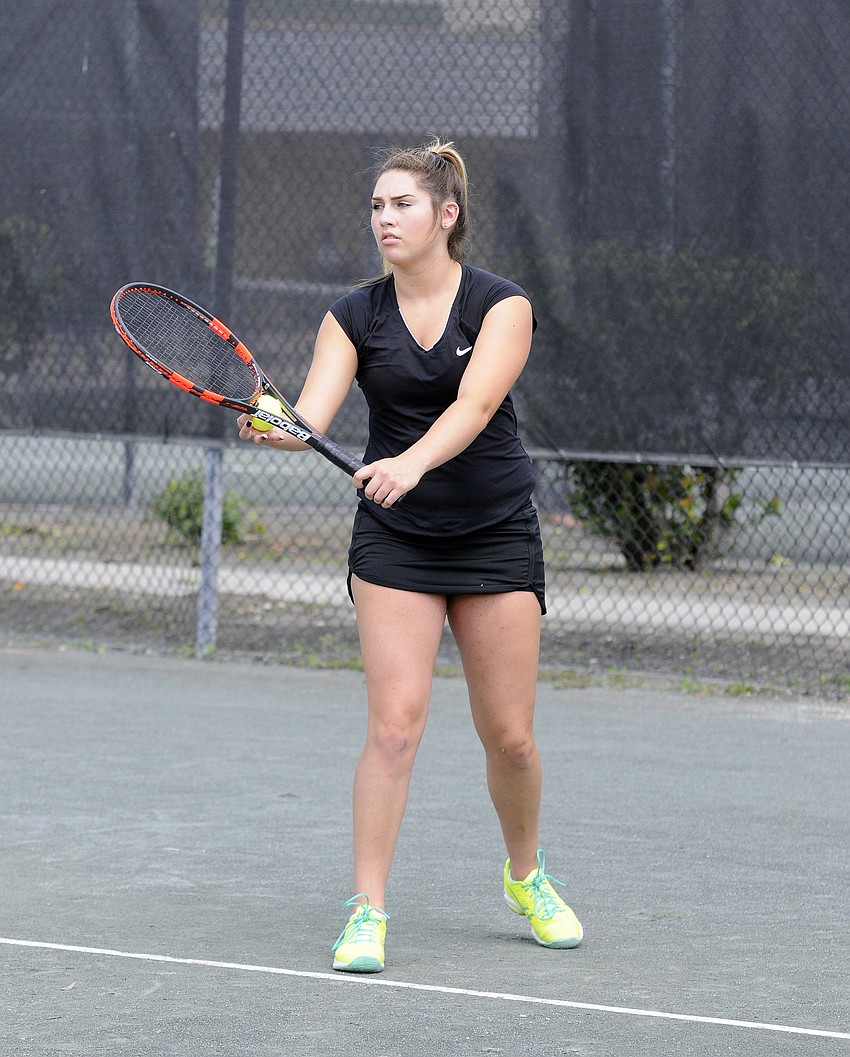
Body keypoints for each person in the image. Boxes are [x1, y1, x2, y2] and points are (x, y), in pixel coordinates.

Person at [237, 139, 582, 973]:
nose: (384, 219)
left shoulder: (502, 306)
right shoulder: (352, 314)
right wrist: (276, 425)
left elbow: (479, 402)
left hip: (494, 527)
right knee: (393, 728)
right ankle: (367, 909)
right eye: (377, 207)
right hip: (394, 540)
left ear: (446, 216)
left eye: (402, 205)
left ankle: (527, 874)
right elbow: (312, 416)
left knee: (512, 739)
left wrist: (410, 462)